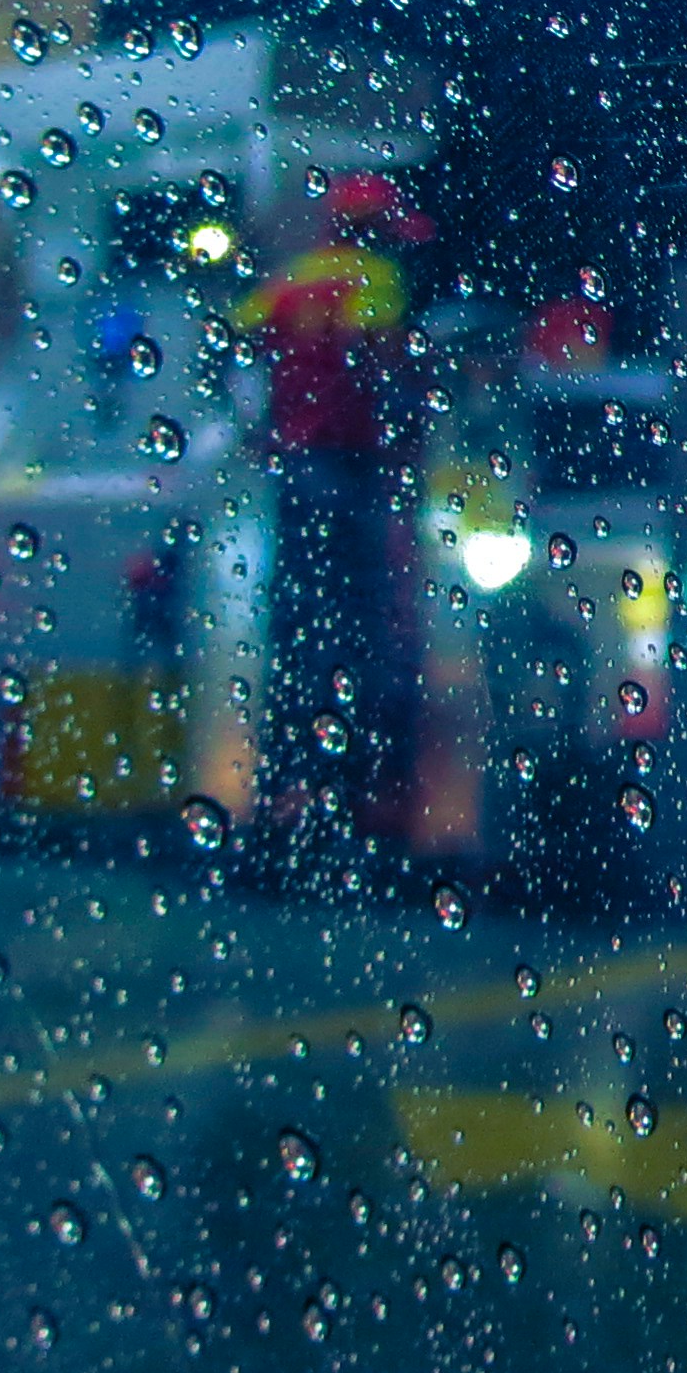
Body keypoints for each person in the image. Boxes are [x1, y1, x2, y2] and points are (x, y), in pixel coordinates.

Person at [232, 177, 420, 882]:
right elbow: (385, 363)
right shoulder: (374, 279)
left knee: (296, 619)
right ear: (369, 229)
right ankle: (351, 789)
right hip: (353, 462)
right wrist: (407, 438)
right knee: (363, 622)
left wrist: (264, 431)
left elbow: (240, 344)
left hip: (296, 466)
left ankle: (286, 778)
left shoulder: (290, 281)